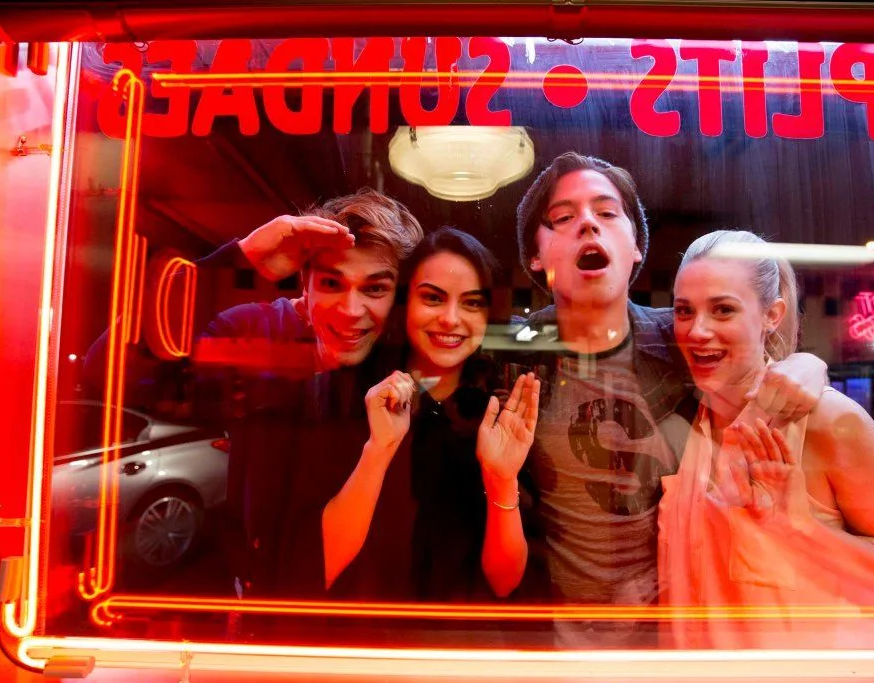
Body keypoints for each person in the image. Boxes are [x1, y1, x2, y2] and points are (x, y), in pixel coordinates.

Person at [484, 152, 829, 648]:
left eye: (607, 212)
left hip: (683, 634)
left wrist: (807, 365)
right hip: (560, 641)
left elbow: (760, 358)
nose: (588, 223)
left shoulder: (682, 337)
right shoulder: (515, 354)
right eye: (562, 217)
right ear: (535, 256)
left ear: (636, 247)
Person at [84, 188, 425, 598]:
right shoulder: (252, 331)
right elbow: (105, 369)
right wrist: (236, 259)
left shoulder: (404, 363)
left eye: (375, 289)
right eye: (332, 282)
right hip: (260, 597)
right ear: (305, 285)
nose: (351, 310)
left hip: (367, 604)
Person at [657, 229, 874, 649]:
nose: (697, 331)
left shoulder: (830, 422)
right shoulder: (685, 427)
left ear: (772, 315)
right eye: (683, 311)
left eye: (723, 310)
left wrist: (801, 530)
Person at [276, 228, 540, 604]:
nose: (450, 319)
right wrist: (378, 450)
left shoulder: (498, 412)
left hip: (460, 633)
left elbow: (504, 583)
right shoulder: (345, 395)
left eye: (471, 303)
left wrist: (501, 480)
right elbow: (318, 569)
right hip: (360, 629)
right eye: (433, 298)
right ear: (405, 302)